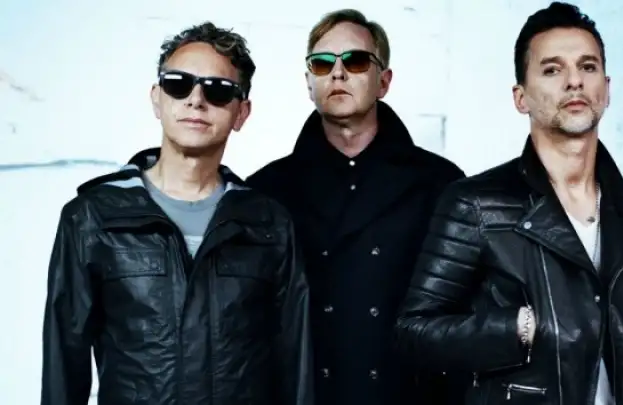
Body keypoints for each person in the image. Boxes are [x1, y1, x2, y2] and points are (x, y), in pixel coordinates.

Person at [395, 2, 623, 405]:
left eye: (587, 67)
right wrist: (518, 328)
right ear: (521, 97)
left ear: (606, 89)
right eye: (552, 70)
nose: (574, 81)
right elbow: (413, 333)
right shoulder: (476, 205)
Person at [40, 22, 312, 405]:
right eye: (178, 84)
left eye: (218, 90)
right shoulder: (92, 218)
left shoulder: (269, 224)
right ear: (157, 98)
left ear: (241, 112)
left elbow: (295, 366)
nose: (196, 100)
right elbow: (63, 367)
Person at [246, 8, 465, 405]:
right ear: (309, 83)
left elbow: (459, 316)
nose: (338, 73)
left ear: (384, 81)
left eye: (356, 60)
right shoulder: (266, 191)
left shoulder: (440, 184)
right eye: (322, 63)